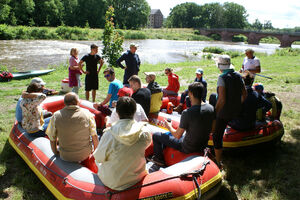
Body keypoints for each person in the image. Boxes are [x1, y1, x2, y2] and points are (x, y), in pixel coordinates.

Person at [150, 82, 215, 169]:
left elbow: (177, 135)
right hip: (202, 145)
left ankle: (159, 160)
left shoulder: (187, 113)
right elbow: (212, 130)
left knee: (157, 136)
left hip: (187, 147)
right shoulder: (211, 108)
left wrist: (168, 126)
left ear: (191, 94)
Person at [93, 97, 152, 191]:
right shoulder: (145, 132)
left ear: (117, 112)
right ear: (134, 111)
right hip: (137, 177)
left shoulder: (109, 133)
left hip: (114, 182)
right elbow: (146, 146)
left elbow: (98, 157)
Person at [46, 92, 99, 172]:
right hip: (85, 154)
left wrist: (55, 152)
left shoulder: (56, 116)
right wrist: (95, 154)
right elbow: (94, 136)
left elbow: (52, 137)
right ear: (77, 102)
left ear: (64, 103)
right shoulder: (87, 114)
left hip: (65, 156)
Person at [212, 55, 247, 165]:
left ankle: (218, 161)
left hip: (224, 113)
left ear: (220, 66)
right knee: (213, 96)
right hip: (235, 110)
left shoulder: (221, 78)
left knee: (217, 137)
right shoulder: (238, 75)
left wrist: (215, 113)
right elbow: (244, 94)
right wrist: (237, 104)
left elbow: (221, 99)